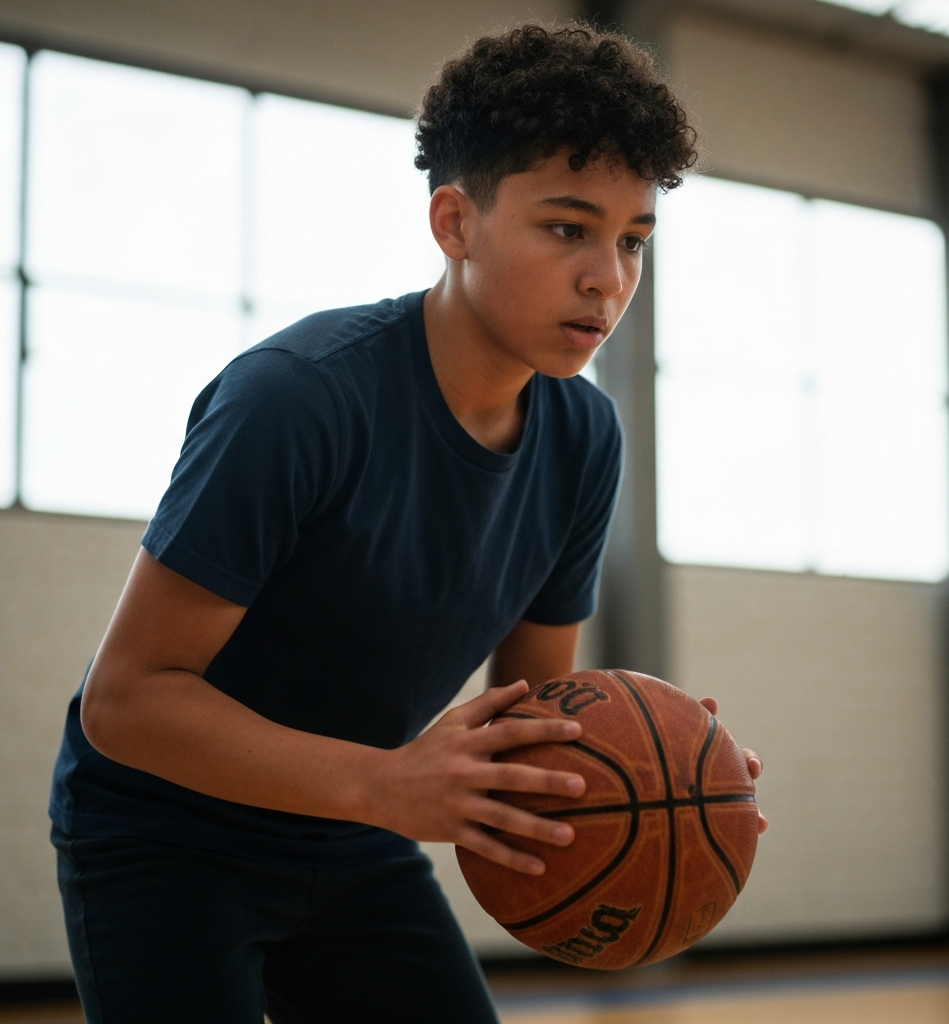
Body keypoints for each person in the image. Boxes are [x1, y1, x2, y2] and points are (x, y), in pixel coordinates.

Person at [50, 22, 766, 1024]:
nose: (608, 276)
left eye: (633, 239)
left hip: (350, 824)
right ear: (454, 223)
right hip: (166, 828)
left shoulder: (584, 437)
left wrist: (675, 786)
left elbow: (531, 713)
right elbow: (124, 703)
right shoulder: (297, 398)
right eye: (567, 228)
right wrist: (386, 786)